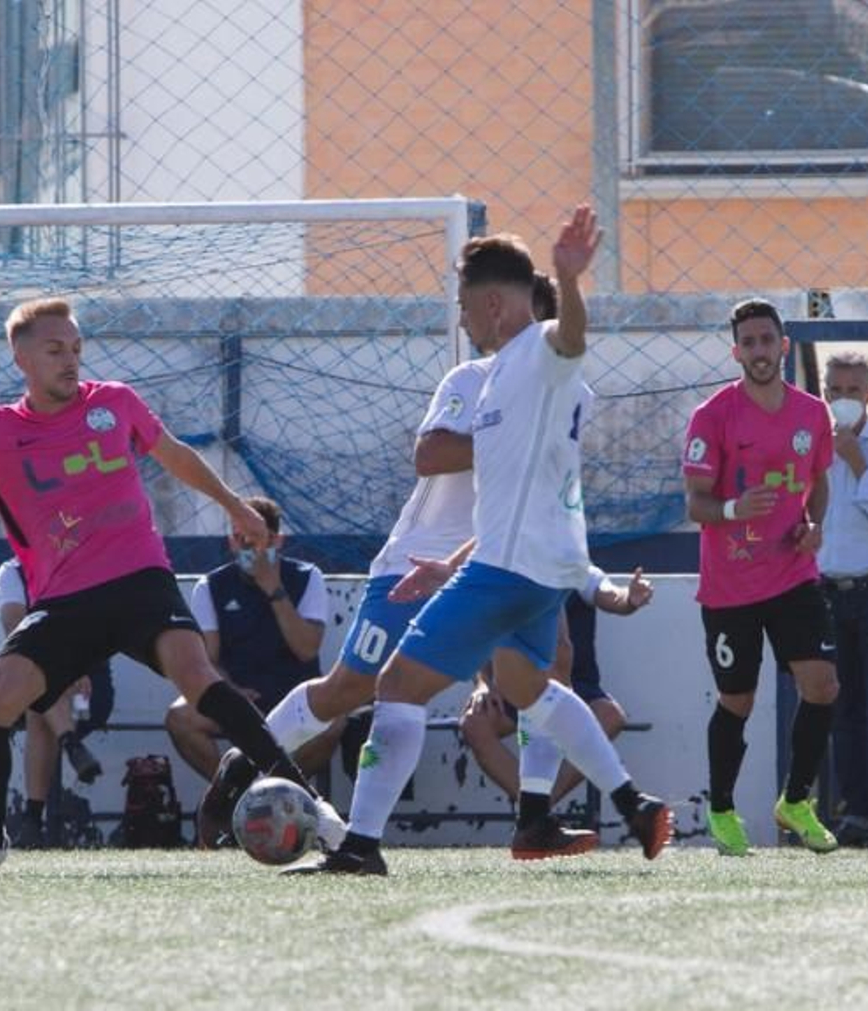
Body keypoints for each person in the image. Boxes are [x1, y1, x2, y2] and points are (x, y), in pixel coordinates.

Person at [0, 296, 344, 875]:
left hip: (140, 577)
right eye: (54, 350)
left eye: (75, 349)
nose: (70, 361)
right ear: (21, 357)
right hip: (65, 598)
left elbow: (173, 454)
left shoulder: (115, 403)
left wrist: (231, 505)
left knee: (198, 679)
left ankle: (314, 807)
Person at [287, 206, 672, 876]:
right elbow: (518, 495)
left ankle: (360, 845)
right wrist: (450, 564)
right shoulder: (496, 380)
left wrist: (571, 279)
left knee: (398, 684)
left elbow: (571, 338)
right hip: (530, 571)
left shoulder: (540, 355)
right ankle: (631, 802)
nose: (462, 319)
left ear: (493, 304)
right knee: (536, 688)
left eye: (465, 305)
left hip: (506, 574)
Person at [683, 297, 839, 856]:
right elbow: (695, 504)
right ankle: (722, 810)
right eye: (748, 343)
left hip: (794, 573)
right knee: (739, 701)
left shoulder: (812, 413)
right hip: (730, 587)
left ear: (783, 346)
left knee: (822, 685)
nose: (759, 352)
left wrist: (814, 523)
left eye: (766, 341)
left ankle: (796, 801)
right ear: (736, 352)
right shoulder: (713, 416)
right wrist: (733, 510)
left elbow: (818, 481)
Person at [167, 495, 339, 795]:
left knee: (335, 722)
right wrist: (229, 689)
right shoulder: (211, 586)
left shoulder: (307, 577)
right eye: (239, 537)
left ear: (277, 540)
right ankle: (238, 794)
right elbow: (208, 659)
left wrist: (273, 588)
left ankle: (282, 794)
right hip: (239, 698)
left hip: (293, 694)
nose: (248, 546)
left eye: (257, 538)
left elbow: (307, 649)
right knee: (180, 718)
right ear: (230, 542)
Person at [459, 584, 637, 807]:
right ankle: (535, 813)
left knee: (610, 716)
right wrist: (483, 683)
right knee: (474, 724)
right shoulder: (506, 577)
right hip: (516, 685)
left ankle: (538, 809)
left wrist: (630, 598)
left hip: (576, 688)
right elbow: (483, 637)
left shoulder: (577, 570)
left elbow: (610, 594)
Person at [816, 351, 868, 846]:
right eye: (836, 390)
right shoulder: (811, 446)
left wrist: (859, 464)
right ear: (825, 393)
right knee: (842, 708)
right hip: (828, 592)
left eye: (853, 390)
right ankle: (857, 813)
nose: (844, 398)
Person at [0, 556, 113, 848]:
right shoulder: (13, 572)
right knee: (42, 690)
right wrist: (63, 669)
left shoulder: (86, 565)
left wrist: (76, 667)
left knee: (40, 701)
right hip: (39, 673)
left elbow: (100, 630)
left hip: (88, 684)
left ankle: (32, 819)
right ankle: (71, 744)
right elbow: (14, 628)